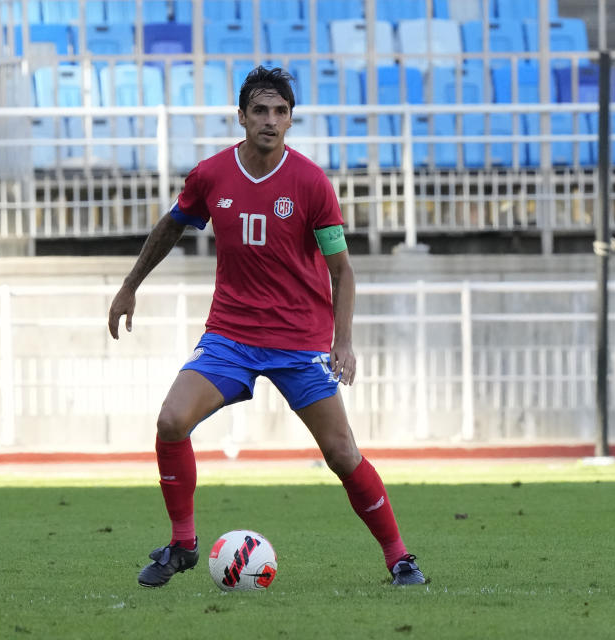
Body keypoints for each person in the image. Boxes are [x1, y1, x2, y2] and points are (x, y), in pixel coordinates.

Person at [107, 66, 425, 588]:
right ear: (242, 117)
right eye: (260, 110)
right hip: (230, 338)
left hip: (300, 343)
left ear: (291, 121)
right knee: (170, 421)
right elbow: (171, 225)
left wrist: (341, 341)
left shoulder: (310, 183)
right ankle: (182, 544)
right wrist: (129, 285)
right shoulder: (211, 175)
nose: (270, 121)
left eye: (280, 112)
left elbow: (342, 270)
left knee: (343, 453)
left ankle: (399, 558)